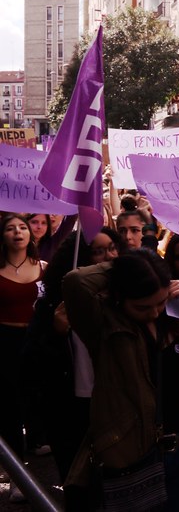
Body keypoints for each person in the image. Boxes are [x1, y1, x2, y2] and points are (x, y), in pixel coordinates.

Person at [62, 249, 179, 511]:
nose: (154, 313)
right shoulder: (104, 323)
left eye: (160, 302)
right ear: (120, 297)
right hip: (135, 454)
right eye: (142, 307)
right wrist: (134, 264)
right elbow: (74, 282)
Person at [25, 227, 123, 510]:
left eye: (112, 248)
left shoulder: (125, 301)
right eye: (98, 251)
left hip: (114, 405)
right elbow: (31, 365)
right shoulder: (52, 307)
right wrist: (56, 333)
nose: (108, 257)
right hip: (70, 410)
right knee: (80, 487)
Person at [0, 213, 46, 501]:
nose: (18, 232)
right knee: (9, 409)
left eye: (22, 227)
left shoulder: (45, 268)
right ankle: (19, 476)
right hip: (4, 343)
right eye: (10, 228)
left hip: (37, 343)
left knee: (37, 404)